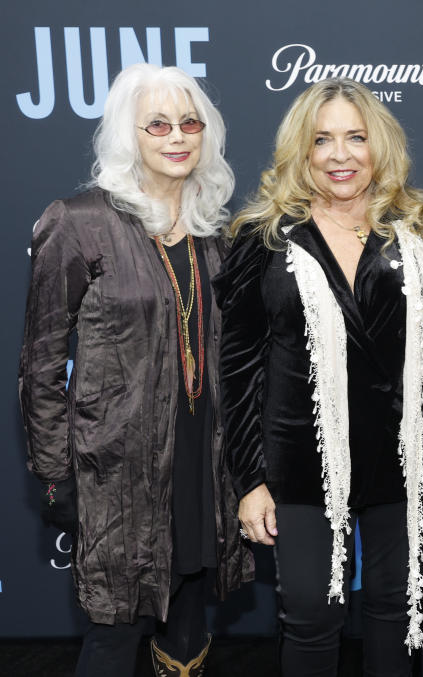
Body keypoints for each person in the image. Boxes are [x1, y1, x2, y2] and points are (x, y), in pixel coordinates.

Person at [18, 63, 250, 676]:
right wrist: (52, 472)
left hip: (204, 458)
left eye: (189, 123)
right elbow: (41, 361)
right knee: (116, 631)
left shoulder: (215, 230)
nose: (177, 136)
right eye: (157, 124)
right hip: (116, 469)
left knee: (189, 620)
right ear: (129, 134)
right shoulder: (79, 222)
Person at [215, 78, 423, 677]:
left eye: (355, 138)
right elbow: (237, 369)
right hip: (299, 460)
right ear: (301, 152)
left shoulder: (417, 233)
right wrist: (249, 481)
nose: (340, 155)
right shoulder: (263, 238)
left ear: (379, 145)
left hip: (401, 459)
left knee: (396, 608)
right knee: (311, 613)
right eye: (323, 140)